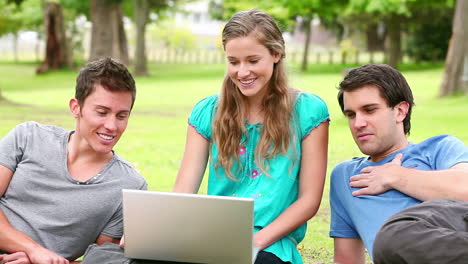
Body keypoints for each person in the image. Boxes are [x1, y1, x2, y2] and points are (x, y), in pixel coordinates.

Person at [173, 9, 329, 264]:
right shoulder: (207, 112)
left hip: (271, 244)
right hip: (213, 238)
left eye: (253, 61)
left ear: (276, 54)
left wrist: (253, 243)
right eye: (234, 62)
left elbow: (309, 201)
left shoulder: (307, 111)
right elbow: (183, 191)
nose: (242, 72)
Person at [0, 57, 147, 264]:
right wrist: (33, 250)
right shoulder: (28, 137)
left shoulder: (130, 187)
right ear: (75, 108)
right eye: (102, 113)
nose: (112, 126)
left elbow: (100, 259)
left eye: (121, 116)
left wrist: (44, 262)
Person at [329, 63, 468, 264]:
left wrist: (394, 176)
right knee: (393, 239)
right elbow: (346, 259)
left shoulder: (439, 148)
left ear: (400, 111)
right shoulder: (345, 176)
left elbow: (465, 189)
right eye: (351, 114)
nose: (358, 123)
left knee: (395, 235)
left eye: (369, 110)